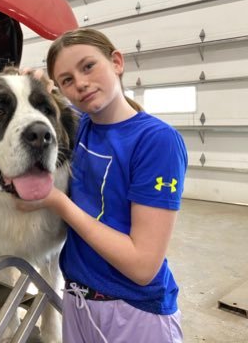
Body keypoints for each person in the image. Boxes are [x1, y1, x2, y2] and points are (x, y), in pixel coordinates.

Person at [17, 28, 187, 343]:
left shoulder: (156, 141)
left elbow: (142, 266)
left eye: (88, 66)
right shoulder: (80, 129)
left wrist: (57, 202)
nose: (80, 83)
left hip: (134, 312)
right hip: (79, 301)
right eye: (66, 79)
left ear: (117, 62)